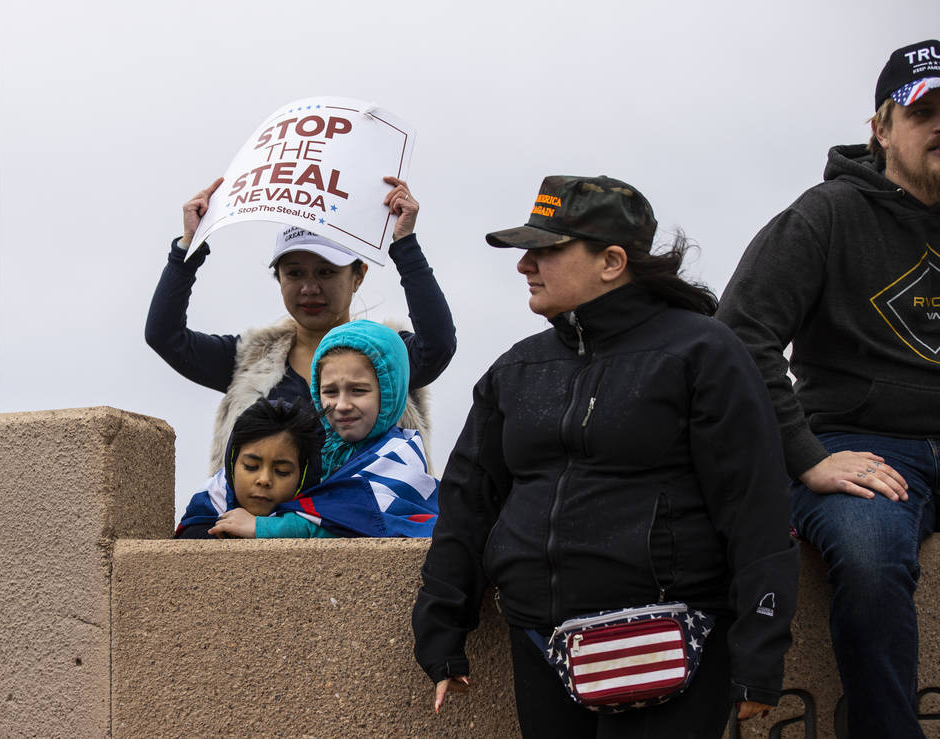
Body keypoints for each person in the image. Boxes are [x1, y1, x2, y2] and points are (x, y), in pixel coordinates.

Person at [411, 175, 799, 736]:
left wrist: (759, 655)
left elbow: (756, 507)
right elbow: (469, 502)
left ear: (612, 261)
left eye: (545, 250)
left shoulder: (703, 352)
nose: (525, 265)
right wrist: (442, 629)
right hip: (540, 644)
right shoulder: (516, 369)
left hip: (667, 644)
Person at [716, 40, 940, 738]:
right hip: (857, 445)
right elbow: (739, 336)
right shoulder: (826, 215)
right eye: (925, 111)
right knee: (871, 557)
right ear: (881, 128)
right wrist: (807, 455)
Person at [145, 176, 456, 473]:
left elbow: (438, 344)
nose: (309, 288)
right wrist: (188, 247)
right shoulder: (249, 360)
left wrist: (405, 244)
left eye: (326, 272)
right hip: (255, 527)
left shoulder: (388, 357)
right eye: (294, 273)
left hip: (368, 525)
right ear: (278, 278)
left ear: (358, 275)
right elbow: (165, 335)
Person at [211, 320, 440, 539]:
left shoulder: (400, 457)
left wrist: (265, 527)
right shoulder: (310, 449)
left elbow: (359, 524)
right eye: (330, 392)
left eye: (358, 390)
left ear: (390, 391)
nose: (341, 405)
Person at [175, 397, 324, 539]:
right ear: (232, 465)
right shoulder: (203, 521)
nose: (264, 480)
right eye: (251, 467)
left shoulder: (323, 518)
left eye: (281, 471)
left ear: (302, 477)